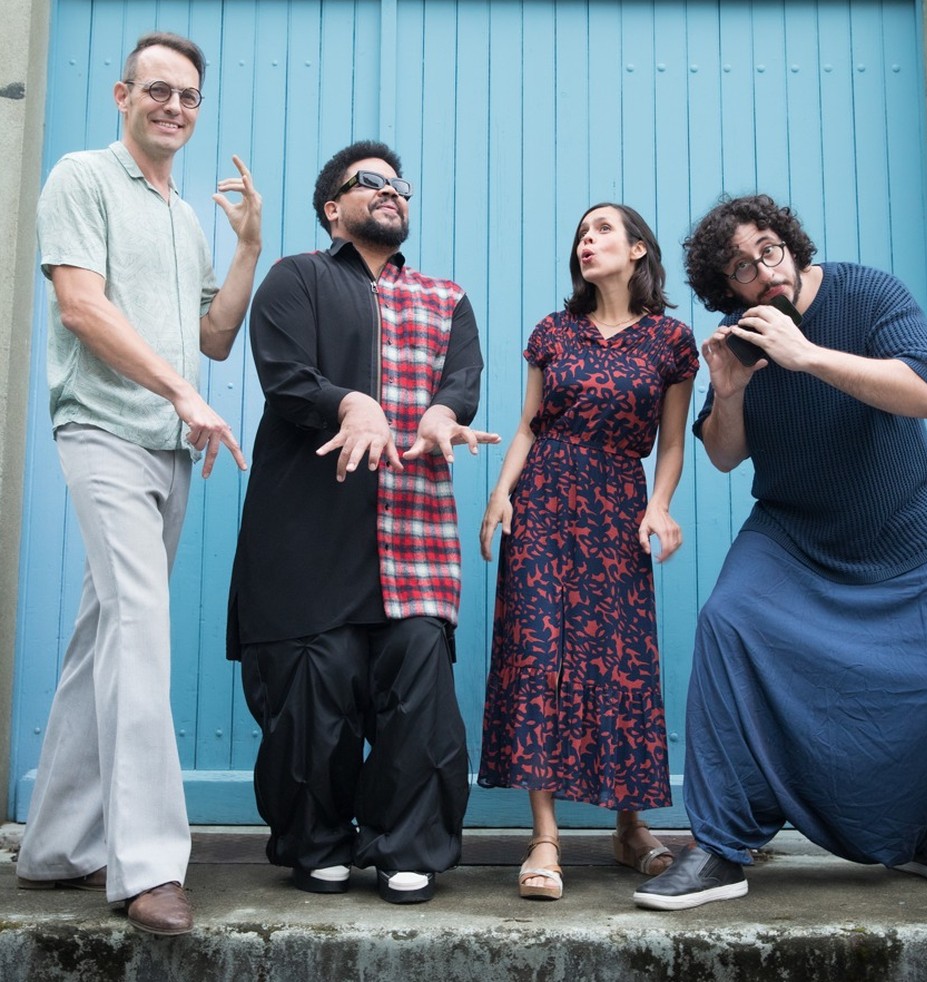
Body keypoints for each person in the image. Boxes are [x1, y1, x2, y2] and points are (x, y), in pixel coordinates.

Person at [634, 193, 927, 912]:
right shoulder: (742, 337)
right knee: (727, 623)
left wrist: (809, 355)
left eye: (769, 250)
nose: (765, 272)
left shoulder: (869, 294)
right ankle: (721, 848)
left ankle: (913, 830)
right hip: (792, 535)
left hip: (904, 533)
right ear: (726, 288)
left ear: (790, 244)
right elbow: (724, 454)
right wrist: (729, 393)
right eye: (742, 268)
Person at [15, 33, 262, 935]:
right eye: (158, 90)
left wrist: (247, 249)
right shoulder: (81, 178)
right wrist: (181, 394)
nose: (174, 107)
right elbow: (81, 307)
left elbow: (214, 338)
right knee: (141, 630)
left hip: (168, 447)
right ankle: (151, 865)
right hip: (103, 431)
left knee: (103, 634)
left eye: (189, 96)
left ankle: (53, 847)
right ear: (123, 95)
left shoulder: (185, 218)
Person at [227, 140, 499, 905]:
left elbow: (461, 379)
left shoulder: (445, 298)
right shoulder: (298, 278)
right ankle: (316, 843)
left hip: (413, 535)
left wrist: (443, 413)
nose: (392, 192)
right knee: (314, 693)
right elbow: (286, 376)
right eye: (371, 181)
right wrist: (352, 403)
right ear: (332, 208)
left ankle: (409, 845)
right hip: (310, 531)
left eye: (400, 185)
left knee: (421, 696)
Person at [478, 203, 699, 900]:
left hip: (617, 505)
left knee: (619, 659)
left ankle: (630, 828)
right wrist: (500, 495)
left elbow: (672, 442)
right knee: (539, 654)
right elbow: (528, 424)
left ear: (638, 250)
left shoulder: (671, 340)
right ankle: (545, 837)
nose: (587, 241)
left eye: (602, 230)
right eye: (581, 233)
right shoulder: (555, 331)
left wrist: (658, 506)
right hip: (544, 498)